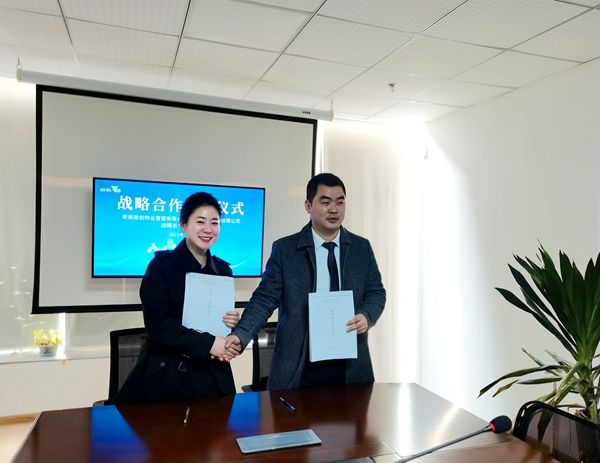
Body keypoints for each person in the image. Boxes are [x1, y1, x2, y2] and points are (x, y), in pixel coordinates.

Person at [225, 173, 386, 390]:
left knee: (352, 413)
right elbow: (264, 299)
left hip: (350, 366)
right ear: (308, 206)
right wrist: (241, 334)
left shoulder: (361, 248)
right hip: (300, 368)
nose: (334, 209)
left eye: (340, 202)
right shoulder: (286, 250)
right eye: (326, 202)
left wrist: (367, 315)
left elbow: (376, 292)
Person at [111, 192, 241, 404]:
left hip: (213, 374)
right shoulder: (161, 266)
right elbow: (158, 325)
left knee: (221, 424)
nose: (208, 229)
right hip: (169, 373)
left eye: (214, 222)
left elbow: (219, 323)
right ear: (183, 225)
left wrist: (231, 322)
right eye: (200, 221)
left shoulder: (223, 270)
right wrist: (209, 344)